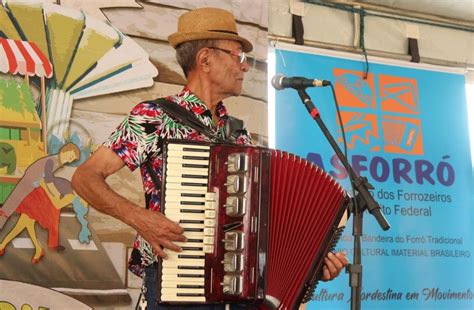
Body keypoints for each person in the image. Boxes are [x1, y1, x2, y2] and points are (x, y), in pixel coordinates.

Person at [72, 7, 348, 310]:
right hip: (178, 282)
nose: (244, 67)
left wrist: (312, 263)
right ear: (205, 59)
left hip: (237, 292)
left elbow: (263, 229)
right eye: (237, 56)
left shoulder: (238, 137)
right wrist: (139, 218)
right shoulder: (155, 117)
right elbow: (85, 177)